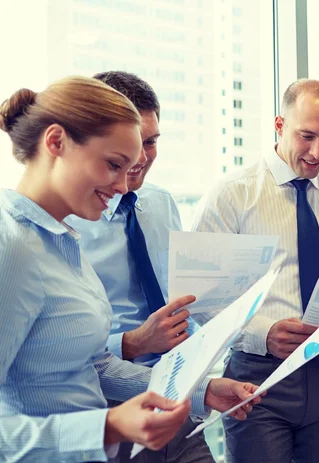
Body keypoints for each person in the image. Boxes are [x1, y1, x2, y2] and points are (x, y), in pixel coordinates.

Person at [0, 76, 260, 462]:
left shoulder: (62, 239)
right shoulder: (12, 251)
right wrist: (109, 427)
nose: (123, 186)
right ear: (56, 142)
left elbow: (92, 365)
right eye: (113, 165)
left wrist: (204, 390)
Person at [191, 78, 319, 463]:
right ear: (279, 126)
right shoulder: (232, 195)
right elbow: (201, 299)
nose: (318, 152)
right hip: (257, 380)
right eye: (307, 136)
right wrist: (262, 335)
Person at [66, 71, 213, 462]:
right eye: (129, 145)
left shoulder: (163, 204)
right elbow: (76, 357)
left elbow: (178, 300)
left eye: (150, 142)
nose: (141, 157)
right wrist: (132, 343)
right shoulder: (66, 224)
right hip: (110, 415)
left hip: (178, 402)